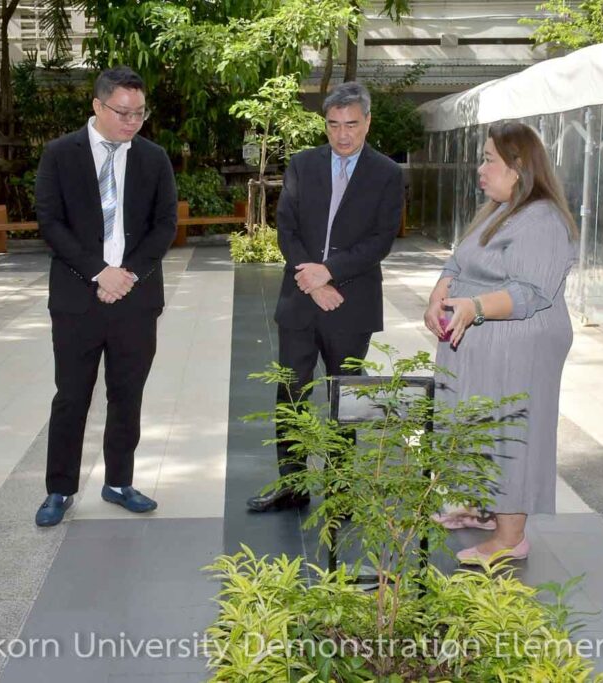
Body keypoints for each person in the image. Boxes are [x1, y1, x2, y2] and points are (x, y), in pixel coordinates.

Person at [246, 82, 404, 512]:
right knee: (291, 393)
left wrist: (329, 272)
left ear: (367, 122)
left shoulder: (387, 174)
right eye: (333, 125)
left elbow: (380, 241)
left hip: (351, 304)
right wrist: (314, 281)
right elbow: (286, 228)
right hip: (301, 298)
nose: (342, 134)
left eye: (351, 124)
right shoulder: (302, 165)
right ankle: (292, 485)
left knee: (343, 395)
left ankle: (340, 490)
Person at [424, 121, 578, 562]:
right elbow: (460, 260)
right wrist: (440, 294)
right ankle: (481, 506)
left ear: (518, 165)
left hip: (519, 345)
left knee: (510, 430)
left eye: (489, 159)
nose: (481, 168)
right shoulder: (499, 208)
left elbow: (530, 292)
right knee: (478, 423)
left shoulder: (542, 220)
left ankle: (510, 538)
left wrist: (474, 307)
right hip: (483, 339)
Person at [34, 66, 177, 527]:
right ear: (97, 106)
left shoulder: (154, 158)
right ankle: (59, 489)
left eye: (140, 113)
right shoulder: (60, 154)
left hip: (135, 299)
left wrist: (127, 275)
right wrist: (99, 272)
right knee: (71, 396)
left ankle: (119, 481)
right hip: (77, 299)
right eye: (122, 112)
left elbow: (165, 225)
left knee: (127, 394)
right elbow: (50, 222)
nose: (132, 122)